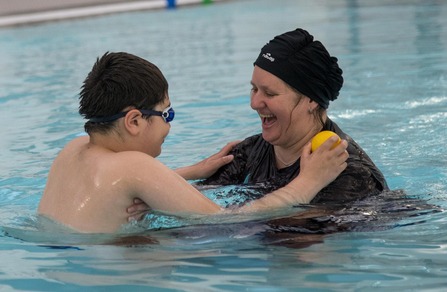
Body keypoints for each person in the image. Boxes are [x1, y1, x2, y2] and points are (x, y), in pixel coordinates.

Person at [38, 52, 348, 234]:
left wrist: (194, 171)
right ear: (134, 121)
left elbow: (118, 184)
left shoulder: (73, 149)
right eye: (166, 113)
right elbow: (225, 222)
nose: (169, 125)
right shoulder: (136, 167)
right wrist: (307, 182)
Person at [199, 28, 389, 204]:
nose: (254, 103)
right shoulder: (251, 152)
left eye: (270, 93)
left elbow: (288, 237)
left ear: (311, 100)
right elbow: (189, 205)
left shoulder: (348, 174)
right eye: (254, 89)